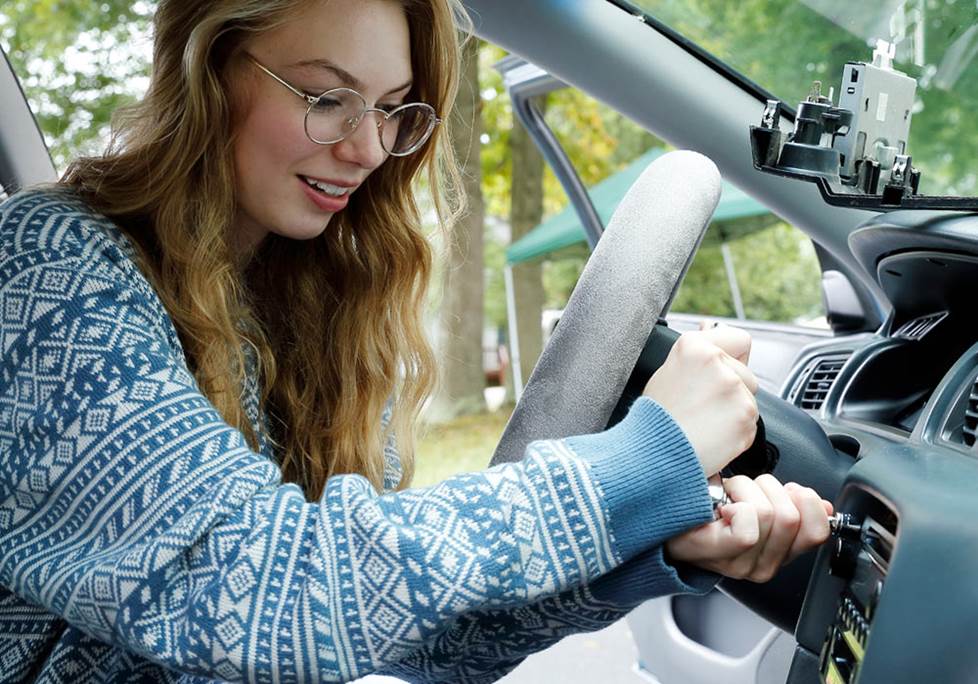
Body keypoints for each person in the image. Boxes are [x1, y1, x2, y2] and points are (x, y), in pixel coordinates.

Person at [0, 0, 833, 681]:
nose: (366, 148)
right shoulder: (52, 264)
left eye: (394, 108)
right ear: (207, 72)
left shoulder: (305, 307)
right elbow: (257, 589)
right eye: (325, 97)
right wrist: (646, 461)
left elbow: (405, 643)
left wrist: (641, 540)